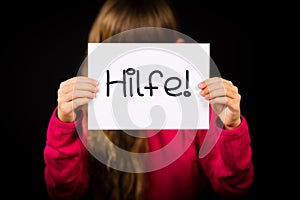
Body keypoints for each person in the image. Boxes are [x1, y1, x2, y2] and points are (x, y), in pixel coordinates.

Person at [44, 0, 254, 199]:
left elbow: (233, 189)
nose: (135, 67)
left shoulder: (197, 109)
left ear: (178, 49)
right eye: (120, 50)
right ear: (98, 51)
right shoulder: (84, 112)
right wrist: (65, 124)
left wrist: (230, 125)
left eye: (147, 51)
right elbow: (65, 193)